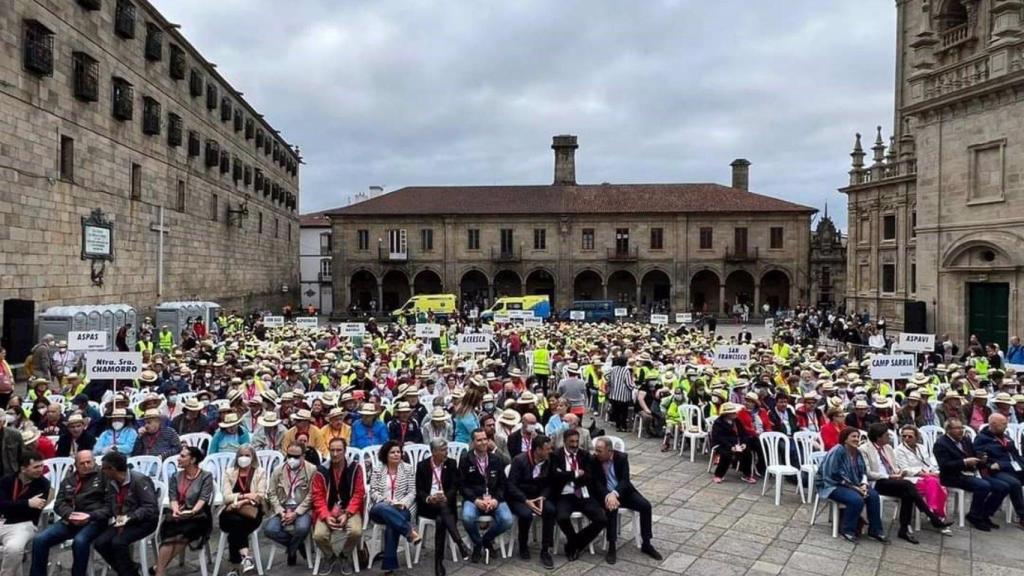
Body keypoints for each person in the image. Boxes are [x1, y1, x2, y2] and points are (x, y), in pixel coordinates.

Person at [860, 423, 951, 543]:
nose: (890, 437)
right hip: (877, 482)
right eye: (887, 435)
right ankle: (932, 517)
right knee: (908, 486)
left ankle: (904, 529)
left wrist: (899, 473)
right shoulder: (864, 449)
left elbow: (895, 467)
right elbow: (868, 473)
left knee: (908, 493)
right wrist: (889, 476)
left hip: (892, 479)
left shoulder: (887, 448)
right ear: (878, 437)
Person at [30, 450, 107, 576]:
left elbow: (110, 506)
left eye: (89, 462)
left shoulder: (104, 477)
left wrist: (90, 516)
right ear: (76, 465)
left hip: (93, 520)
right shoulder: (69, 479)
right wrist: (69, 514)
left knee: (80, 541)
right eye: (82, 463)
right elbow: (58, 503)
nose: (86, 466)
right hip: (70, 520)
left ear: (94, 461)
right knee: (39, 539)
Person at [591, 436, 661, 564]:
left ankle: (647, 543)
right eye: (596, 450)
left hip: (623, 492)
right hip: (605, 494)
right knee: (611, 508)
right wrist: (609, 495)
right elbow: (596, 483)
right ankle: (612, 546)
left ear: (610, 451)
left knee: (646, 506)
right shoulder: (594, 460)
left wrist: (615, 493)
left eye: (600, 451)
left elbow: (625, 480)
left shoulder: (622, 458)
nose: (596, 453)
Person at [932, 418, 1005, 530]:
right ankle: (974, 516)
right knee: (983, 486)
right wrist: (964, 462)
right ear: (948, 430)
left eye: (962, 427)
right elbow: (945, 465)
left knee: (1002, 487)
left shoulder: (965, 439)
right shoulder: (941, 444)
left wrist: (982, 460)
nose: (961, 430)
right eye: (957, 428)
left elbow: (973, 455)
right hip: (953, 476)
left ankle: (985, 515)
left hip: (972, 472)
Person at [817, 427, 887, 543]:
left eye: (858, 437)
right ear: (845, 439)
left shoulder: (857, 452)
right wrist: (855, 488)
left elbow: (863, 471)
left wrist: (864, 484)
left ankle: (875, 530)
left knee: (873, 495)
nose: (856, 439)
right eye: (853, 436)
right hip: (832, 484)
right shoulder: (837, 451)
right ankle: (848, 530)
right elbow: (833, 474)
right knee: (856, 500)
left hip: (854, 484)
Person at [94, 451, 159, 576]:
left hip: (144, 521)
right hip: (122, 519)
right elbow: (109, 503)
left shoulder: (139, 481)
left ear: (112, 469)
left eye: (104, 469)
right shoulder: (111, 482)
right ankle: (130, 570)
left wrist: (130, 517)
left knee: (118, 543)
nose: (102, 472)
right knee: (100, 542)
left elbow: (150, 507)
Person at [153, 447, 214, 576]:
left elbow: (203, 498)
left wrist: (192, 512)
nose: (178, 458)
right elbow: (173, 497)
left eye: (182, 456)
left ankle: (158, 569)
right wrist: (175, 510)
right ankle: (160, 571)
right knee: (170, 534)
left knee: (183, 533)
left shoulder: (206, 476)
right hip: (179, 512)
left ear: (192, 460)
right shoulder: (176, 476)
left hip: (198, 515)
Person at [550, 428, 606, 561]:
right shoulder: (556, 455)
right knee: (562, 517)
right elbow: (555, 476)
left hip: (583, 493)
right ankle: (574, 542)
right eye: (571, 442)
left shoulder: (585, 455)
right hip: (564, 494)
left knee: (602, 519)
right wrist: (575, 474)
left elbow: (590, 477)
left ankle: (574, 544)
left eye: (576, 441)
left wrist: (566, 475)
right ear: (564, 441)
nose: (574, 445)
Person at [459, 428, 514, 562]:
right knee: (467, 517)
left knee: (507, 520)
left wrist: (496, 500)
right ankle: (478, 543)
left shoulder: (495, 459)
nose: (483, 442)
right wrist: (475, 500)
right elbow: (462, 485)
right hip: (474, 499)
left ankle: (486, 540)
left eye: (485, 439)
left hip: (494, 498)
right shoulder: (465, 459)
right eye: (479, 440)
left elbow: (503, 484)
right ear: (473, 442)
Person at [416, 438, 470, 576]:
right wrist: (429, 498)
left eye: (447, 449)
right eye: (442, 450)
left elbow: (455, 485)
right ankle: (459, 543)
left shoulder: (451, 464)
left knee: (441, 519)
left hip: (446, 503)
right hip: (428, 505)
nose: (446, 453)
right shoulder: (422, 466)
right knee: (442, 509)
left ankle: (438, 563)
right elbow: (420, 490)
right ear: (433, 452)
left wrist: (446, 496)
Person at [311, 437, 364, 575]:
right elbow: (317, 497)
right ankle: (330, 556)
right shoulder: (321, 470)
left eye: (339, 450)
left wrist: (347, 513)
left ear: (345, 451)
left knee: (356, 532)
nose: (335, 454)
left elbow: (359, 493)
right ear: (328, 450)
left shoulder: (355, 468)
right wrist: (325, 515)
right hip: (328, 510)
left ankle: (345, 556)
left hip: (349, 510)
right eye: (332, 450)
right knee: (318, 536)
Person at [368, 441, 421, 575]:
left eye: (398, 452)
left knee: (392, 524)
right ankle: (409, 531)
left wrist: (403, 503)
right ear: (386, 454)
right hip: (380, 507)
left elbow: (412, 492)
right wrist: (388, 502)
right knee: (384, 508)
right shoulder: (378, 469)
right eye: (393, 452)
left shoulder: (408, 468)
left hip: (402, 508)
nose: (397, 454)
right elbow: (373, 491)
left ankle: (389, 565)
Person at [506, 434, 557, 568]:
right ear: (538, 450)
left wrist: (543, 497)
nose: (550, 451)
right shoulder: (519, 460)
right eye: (547, 449)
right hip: (520, 497)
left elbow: (551, 483)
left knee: (550, 510)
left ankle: (545, 550)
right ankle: (523, 545)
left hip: (539, 495)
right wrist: (525, 500)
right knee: (525, 514)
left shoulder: (549, 460)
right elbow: (511, 485)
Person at [265, 442, 317, 566]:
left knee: (302, 528)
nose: (292, 459)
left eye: (296, 456)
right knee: (269, 530)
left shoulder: (311, 470)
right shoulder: (278, 470)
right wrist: (280, 511)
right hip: (282, 508)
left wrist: (296, 513)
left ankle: (291, 551)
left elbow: (311, 495)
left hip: (302, 508)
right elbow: (271, 493)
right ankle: (298, 546)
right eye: (289, 456)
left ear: (303, 456)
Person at [218, 444, 266, 576]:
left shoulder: (259, 472)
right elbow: (226, 497)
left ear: (253, 457)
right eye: (241, 455)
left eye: (247, 455)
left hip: (251, 513)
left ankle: (235, 567)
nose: (243, 458)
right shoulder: (229, 472)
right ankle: (246, 558)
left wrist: (242, 503)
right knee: (235, 522)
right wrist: (244, 496)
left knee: (236, 525)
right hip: (230, 511)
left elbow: (259, 496)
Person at [893, 425, 952, 533]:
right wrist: (923, 473)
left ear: (916, 437)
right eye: (904, 436)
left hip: (927, 476)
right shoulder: (898, 451)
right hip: (911, 479)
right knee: (934, 482)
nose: (906, 438)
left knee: (940, 482)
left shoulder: (922, 448)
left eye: (910, 436)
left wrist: (933, 472)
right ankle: (937, 515)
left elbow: (930, 463)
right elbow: (904, 469)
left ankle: (936, 514)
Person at [0, 451, 50, 576]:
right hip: (2, 520)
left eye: (41, 466)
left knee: (14, 549)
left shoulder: (43, 484)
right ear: (23, 469)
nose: (40, 470)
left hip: (24, 524)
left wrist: (12, 506)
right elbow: (2, 506)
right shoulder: (7, 480)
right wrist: (27, 503)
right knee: (14, 554)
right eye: (36, 467)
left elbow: (32, 511)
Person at [973, 413, 1024, 529]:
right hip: (995, 471)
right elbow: (982, 459)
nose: (1006, 427)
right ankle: (1022, 517)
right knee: (1013, 484)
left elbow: (1016, 456)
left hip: (1013, 467)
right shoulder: (982, 439)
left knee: (1015, 480)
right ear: (994, 425)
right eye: (1004, 424)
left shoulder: (1006, 437)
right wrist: (996, 465)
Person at [710, 403, 755, 484]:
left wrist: (744, 443)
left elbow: (744, 433)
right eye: (733, 412)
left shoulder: (737, 421)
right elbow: (719, 438)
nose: (735, 414)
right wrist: (731, 446)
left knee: (747, 452)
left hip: (736, 444)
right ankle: (718, 475)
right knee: (726, 454)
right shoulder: (718, 423)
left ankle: (747, 475)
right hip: (722, 444)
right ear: (726, 414)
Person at [606, 356, 634, 432]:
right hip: (624, 395)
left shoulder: (613, 369)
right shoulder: (626, 371)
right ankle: (624, 426)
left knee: (616, 411)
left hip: (614, 394)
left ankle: (618, 426)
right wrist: (634, 387)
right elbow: (628, 383)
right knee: (624, 412)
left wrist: (610, 383)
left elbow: (606, 375)